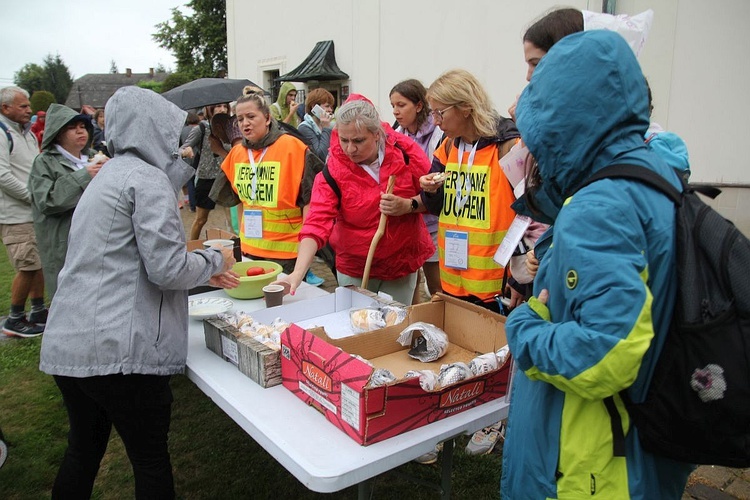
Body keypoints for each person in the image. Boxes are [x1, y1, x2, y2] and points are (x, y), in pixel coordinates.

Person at [501, 30, 694, 498]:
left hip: (586, 461)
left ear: (564, 121)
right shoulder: (652, 174)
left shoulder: (599, 204)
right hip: (634, 443)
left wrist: (526, 328)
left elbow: (606, 352)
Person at [39, 86, 240, 499]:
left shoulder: (109, 174)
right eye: (169, 130)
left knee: (83, 451)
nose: (174, 139)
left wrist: (199, 267)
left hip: (71, 342)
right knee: (149, 461)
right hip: (119, 349)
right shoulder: (145, 180)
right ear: (153, 129)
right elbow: (166, 267)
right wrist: (215, 260)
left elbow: (125, 257)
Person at [278, 95, 434, 306]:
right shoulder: (334, 169)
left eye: (359, 141)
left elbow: (432, 197)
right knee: (358, 326)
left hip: (401, 262)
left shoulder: (405, 152)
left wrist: (408, 205)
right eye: (344, 140)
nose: (350, 149)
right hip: (355, 266)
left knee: (395, 327)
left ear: (377, 134)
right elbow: (316, 222)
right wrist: (298, 273)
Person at [420, 69, 520, 312]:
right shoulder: (448, 146)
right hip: (454, 281)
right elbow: (436, 207)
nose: (435, 121)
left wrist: (520, 277)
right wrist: (430, 191)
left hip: (497, 288)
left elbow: (530, 216)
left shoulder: (508, 146)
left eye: (440, 112)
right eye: (432, 113)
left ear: (466, 107)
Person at [219, 91, 323, 274]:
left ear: (267, 118)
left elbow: (310, 202)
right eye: (240, 119)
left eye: (251, 116)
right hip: (250, 250)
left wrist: (305, 248)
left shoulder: (293, 148)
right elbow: (238, 201)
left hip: (287, 255)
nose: (245, 123)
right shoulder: (236, 154)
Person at [28, 104, 107, 299]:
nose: (80, 131)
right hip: (66, 245)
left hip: (98, 240)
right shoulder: (44, 162)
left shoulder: (94, 157)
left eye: (82, 126)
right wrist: (84, 176)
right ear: (57, 133)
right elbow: (47, 201)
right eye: (72, 128)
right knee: (71, 299)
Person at [390, 79, 444, 303]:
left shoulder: (439, 134)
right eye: (393, 105)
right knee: (410, 288)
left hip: (431, 221)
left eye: (401, 105)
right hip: (408, 222)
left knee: (437, 288)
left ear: (419, 106)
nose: (395, 111)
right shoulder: (396, 134)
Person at [0, 86, 47, 337]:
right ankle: (14, 318)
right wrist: (32, 196)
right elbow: (2, 176)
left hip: (30, 212)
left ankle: (38, 311)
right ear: (5, 108)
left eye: (28, 105)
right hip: (16, 214)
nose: (29, 110)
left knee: (37, 263)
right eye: (23, 106)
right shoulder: (2, 133)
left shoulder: (25, 133)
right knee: (27, 266)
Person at [180, 102, 230, 240]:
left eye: (225, 106)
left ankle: (236, 251)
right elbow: (182, 149)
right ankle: (192, 247)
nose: (222, 109)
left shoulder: (232, 129)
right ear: (210, 108)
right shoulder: (201, 128)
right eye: (219, 106)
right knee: (201, 219)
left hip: (227, 177)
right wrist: (186, 151)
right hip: (206, 178)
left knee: (233, 221)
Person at [297, 88, 335, 162]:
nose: (330, 110)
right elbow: (321, 155)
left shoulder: (323, 125)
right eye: (327, 106)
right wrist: (326, 128)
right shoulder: (304, 128)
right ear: (314, 106)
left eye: (331, 107)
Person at [179, 111, 201, 211]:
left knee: (190, 183)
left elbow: (179, 145)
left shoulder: (182, 130)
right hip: (199, 158)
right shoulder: (200, 128)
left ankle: (193, 205)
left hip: (186, 160)